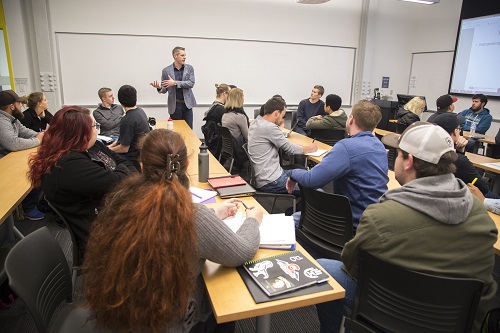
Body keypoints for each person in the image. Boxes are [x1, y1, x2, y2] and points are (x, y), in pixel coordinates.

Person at [315, 122, 497, 333]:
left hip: (392, 313)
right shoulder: (480, 216)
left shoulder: (381, 215)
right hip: (455, 322)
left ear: (408, 161)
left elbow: (352, 264)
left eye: (398, 154)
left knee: (324, 270)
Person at [83, 129, 262, 333]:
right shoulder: (193, 216)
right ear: (186, 165)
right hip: (169, 323)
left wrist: (214, 216)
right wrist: (252, 220)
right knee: (226, 303)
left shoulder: (121, 200)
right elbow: (243, 251)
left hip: (120, 316)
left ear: (141, 167)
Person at [28, 106, 136, 256]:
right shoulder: (68, 166)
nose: (96, 130)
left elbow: (125, 164)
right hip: (102, 234)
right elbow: (117, 181)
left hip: (113, 212)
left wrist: (123, 169)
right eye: (93, 126)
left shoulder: (93, 146)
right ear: (79, 134)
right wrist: (123, 169)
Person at [287, 100, 388, 230]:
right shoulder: (379, 146)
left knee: (293, 220)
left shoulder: (346, 147)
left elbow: (312, 180)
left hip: (352, 221)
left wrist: (293, 174)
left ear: (351, 119)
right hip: (375, 219)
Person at [248, 97, 317, 195]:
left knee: (308, 177)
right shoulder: (269, 127)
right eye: (282, 116)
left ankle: (300, 208)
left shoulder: (256, 122)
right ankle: (293, 210)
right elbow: (290, 149)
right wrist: (309, 148)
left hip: (267, 175)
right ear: (276, 113)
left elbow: (286, 144)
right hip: (271, 180)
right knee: (316, 191)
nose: (282, 119)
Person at [0, 90, 45, 220]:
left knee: (38, 167)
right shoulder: (2, 121)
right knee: (34, 171)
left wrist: (41, 135)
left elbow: (24, 132)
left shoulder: (11, 118)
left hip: (11, 158)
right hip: (4, 162)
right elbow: (13, 143)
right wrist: (37, 140)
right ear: (12, 106)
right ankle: (28, 208)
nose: (22, 106)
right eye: (19, 103)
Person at [428, 112, 497, 198]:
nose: (460, 131)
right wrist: (460, 155)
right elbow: (484, 188)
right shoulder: (460, 161)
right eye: (459, 128)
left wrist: (460, 151)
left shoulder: (429, 151)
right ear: (455, 131)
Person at [150, 46, 196, 129]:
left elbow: (191, 83)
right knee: (176, 130)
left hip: (187, 104)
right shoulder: (166, 70)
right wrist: (159, 88)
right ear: (175, 56)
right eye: (182, 55)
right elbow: (164, 89)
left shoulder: (189, 68)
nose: (185, 57)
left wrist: (175, 83)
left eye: (185, 55)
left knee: (189, 130)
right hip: (175, 105)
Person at [109, 85, 150, 169]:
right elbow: (123, 139)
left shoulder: (127, 120)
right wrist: (112, 145)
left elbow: (124, 148)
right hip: (141, 154)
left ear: (120, 100)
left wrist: (108, 150)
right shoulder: (140, 111)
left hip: (131, 159)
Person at [221, 88, 249, 170]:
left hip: (229, 149)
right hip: (240, 150)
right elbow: (247, 138)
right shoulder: (239, 116)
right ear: (239, 99)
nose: (244, 98)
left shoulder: (225, 115)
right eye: (242, 96)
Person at [202, 83, 231, 157]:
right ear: (224, 93)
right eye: (229, 93)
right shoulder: (221, 109)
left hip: (212, 141)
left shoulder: (214, 105)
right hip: (216, 142)